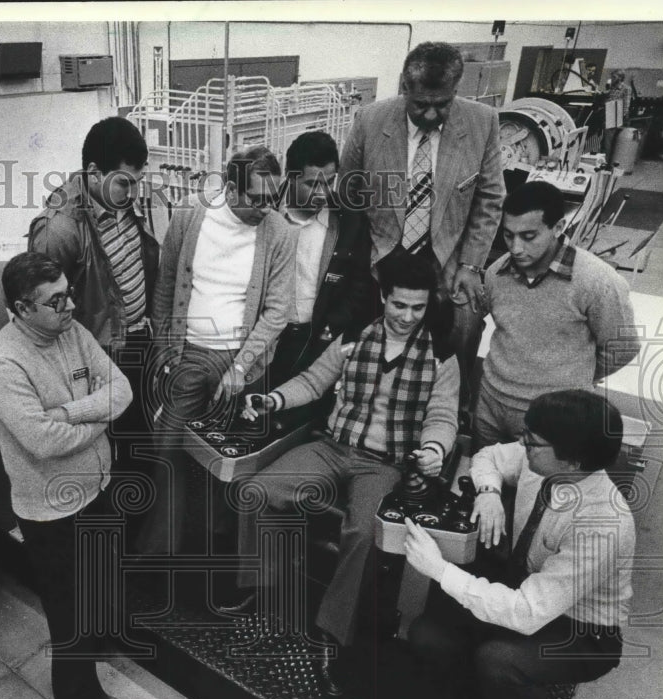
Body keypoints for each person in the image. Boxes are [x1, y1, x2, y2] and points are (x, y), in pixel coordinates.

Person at [225, 248, 459, 696]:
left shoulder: (441, 354)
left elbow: (444, 416)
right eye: (399, 305)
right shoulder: (354, 335)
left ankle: (331, 633)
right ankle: (261, 585)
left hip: (385, 465)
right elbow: (314, 382)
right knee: (257, 490)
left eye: (418, 307)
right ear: (383, 297)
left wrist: (435, 448)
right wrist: (272, 399)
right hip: (334, 447)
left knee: (364, 533)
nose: (408, 316)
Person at [405, 389, 633, 699]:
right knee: (428, 635)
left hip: (583, 630)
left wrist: (440, 569)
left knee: (499, 661)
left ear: (574, 460)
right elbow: (490, 455)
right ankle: (483, 694)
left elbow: (527, 613)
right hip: (526, 586)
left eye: (532, 440)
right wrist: (490, 492)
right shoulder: (543, 458)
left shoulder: (603, 524)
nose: (522, 443)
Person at [0, 251, 133, 699]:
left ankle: (103, 642)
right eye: (56, 300)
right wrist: (99, 418)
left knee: (101, 583)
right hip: (52, 509)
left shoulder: (72, 331)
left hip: (97, 487)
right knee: (69, 608)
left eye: (67, 294)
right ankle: (76, 693)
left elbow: (121, 390)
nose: (70, 306)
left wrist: (71, 413)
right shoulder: (2, 364)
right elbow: (42, 441)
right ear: (23, 309)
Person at [138, 145, 294, 555]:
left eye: (273, 197)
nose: (267, 207)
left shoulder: (278, 233)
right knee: (169, 448)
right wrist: (166, 352)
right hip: (186, 352)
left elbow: (277, 311)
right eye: (257, 199)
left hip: (239, 360)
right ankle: (166, 547)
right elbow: (166, 286)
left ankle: (201, 545)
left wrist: (240, 366)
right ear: (230, 189)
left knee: (220, 461)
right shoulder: (190, 214)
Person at [339, 41, 505, 423]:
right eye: (421, 105)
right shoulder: (370, 120)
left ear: (456, 90)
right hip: (384, 252)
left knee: (464, 324)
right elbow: (348, 191)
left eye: (442, 104)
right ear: (404, 87)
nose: (431, 114)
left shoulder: (482, 122)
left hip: (446, 257)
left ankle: (454, 411)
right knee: (365, 327)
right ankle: (364, 406)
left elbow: (490, 199)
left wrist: (471, 266)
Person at [472, 181, 640, 452]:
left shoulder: (598, 282)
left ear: (558, 228)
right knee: (480, 481)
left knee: (536, 491)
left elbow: (622, 347)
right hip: (490, 406)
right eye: (508, 235)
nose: (515, 248)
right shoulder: (495, 273)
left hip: (553, 419)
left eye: (528, 236)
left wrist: (574, 380)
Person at [28, 116, 159, 436]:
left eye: (137, 181)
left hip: (137, 339)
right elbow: (40, 314)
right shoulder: (58, 229)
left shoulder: (121, 198)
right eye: (125, 182)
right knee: (104, 444)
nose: (134, 192)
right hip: (99, 356)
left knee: (137, 435)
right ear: (94, 173)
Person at [270, 130, 378, 388]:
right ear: (291, 176)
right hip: (265, 337)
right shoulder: (264, 212)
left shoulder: (350, 221)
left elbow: (360, 281)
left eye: (329, 183)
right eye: (312, 184)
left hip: (316, 339)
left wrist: (334, 324)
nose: (322, 193)